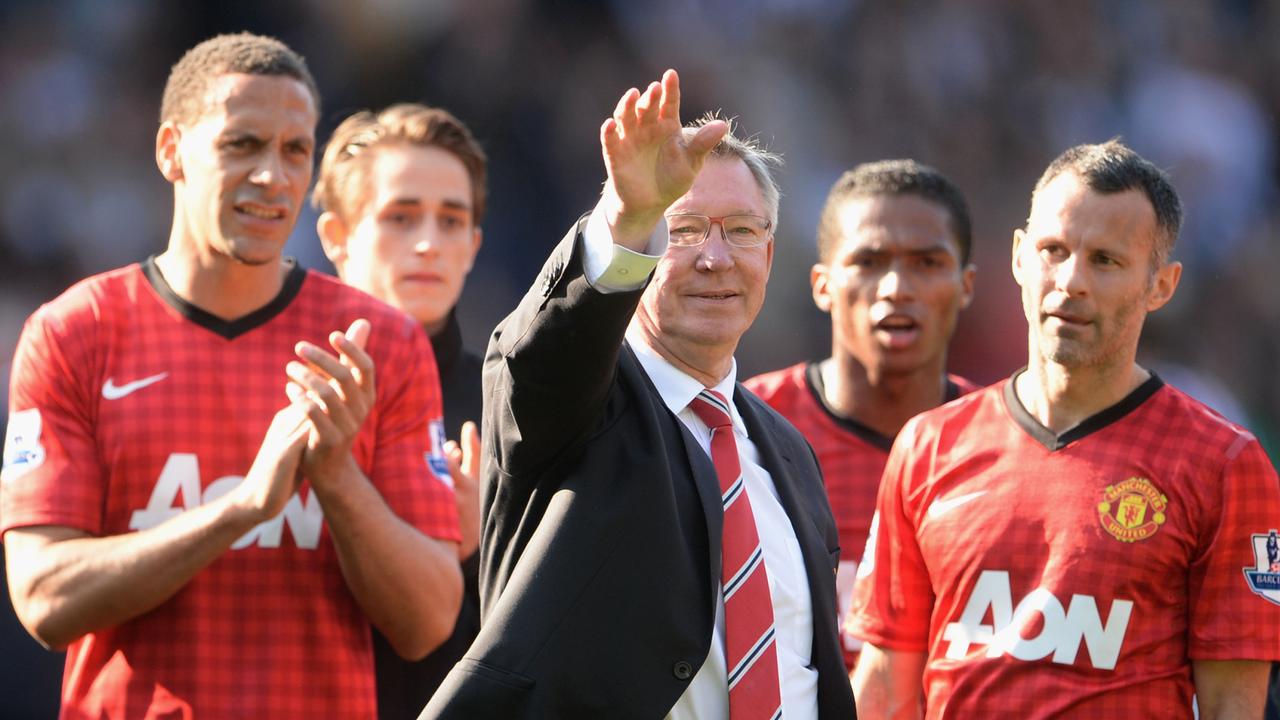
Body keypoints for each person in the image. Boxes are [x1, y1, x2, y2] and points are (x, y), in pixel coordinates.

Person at [0, 33, 463, 718]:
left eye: (294, 150)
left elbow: (427, 622)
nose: (272, 176)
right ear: (171, 151)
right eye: (241, 145)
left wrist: (336, 476)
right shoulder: (75, 333)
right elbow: (43, 598)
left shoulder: (379, 345)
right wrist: (242, 507)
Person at [423, 70, 857, 719]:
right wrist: (628, 218)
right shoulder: (585, 401)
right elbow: (542, 360)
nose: (715, 257)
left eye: (740, 231)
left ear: (769, 254)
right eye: (682, 231)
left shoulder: (788, 453)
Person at [847, 139, 1280, 718]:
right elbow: (882, 686)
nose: (1071, 280)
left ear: (1162, 285)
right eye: (1054, 250)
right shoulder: (928, 446)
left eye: (1105, 260)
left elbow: (1235, 706)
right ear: (1020, 256)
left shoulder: (1223, 465)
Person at [744, 159, 978, 670]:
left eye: (927, 262)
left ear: (966, 285)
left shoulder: (1004, 444)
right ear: (822, 284)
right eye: (869, 261)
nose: (896, 287)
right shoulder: (744, 431)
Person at [312, 103, 485, 720]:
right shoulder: (282, 388)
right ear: (337, 237)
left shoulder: (516, 407)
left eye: (450, 221)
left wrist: (477, 559)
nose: (427, 243)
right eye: (400, 216)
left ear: (473, 246)